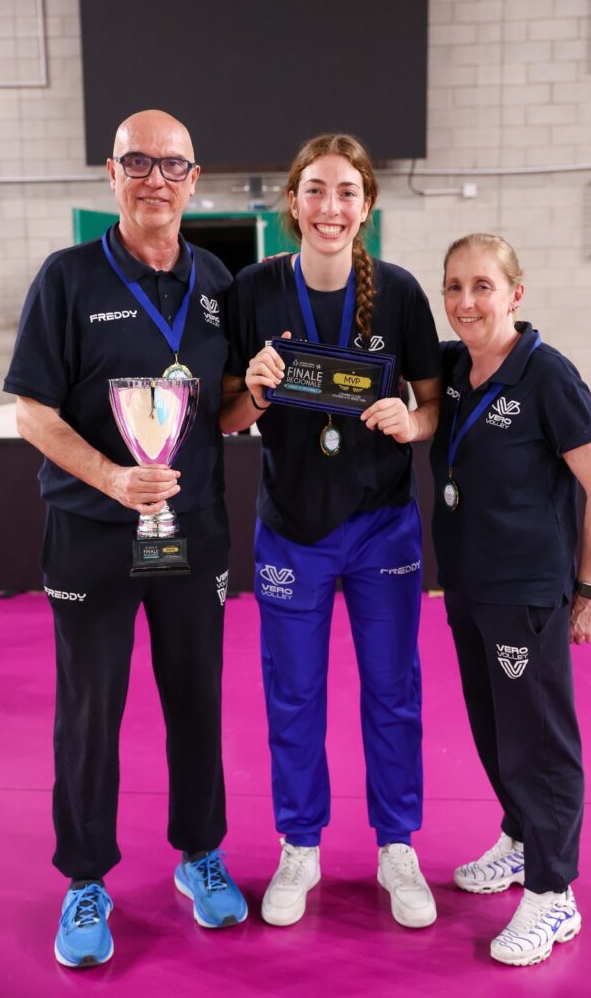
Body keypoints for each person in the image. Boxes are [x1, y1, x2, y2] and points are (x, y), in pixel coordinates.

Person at [4, 110, 247, 968]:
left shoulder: (218, 280)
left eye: (172, 164)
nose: (155, 178)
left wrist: (257, 395)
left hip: (193, 530)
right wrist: (111, 477)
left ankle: (200, 853)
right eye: (137, 162)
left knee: (197, 702)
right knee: (89, 712)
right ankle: (85, 880)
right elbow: (32, 413)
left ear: (194, 178)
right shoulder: (66, 278)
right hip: (93, 531)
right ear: (111, 174)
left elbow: (222, 411)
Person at [220, 133, 442, 929]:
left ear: (367, 204)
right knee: (294, 695)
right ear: (293, 200)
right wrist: (254, 391)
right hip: (291, 528)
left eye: (347, 191)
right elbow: (226, 416)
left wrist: (412, 423)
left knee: (392, 691)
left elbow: (432, 403)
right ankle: (300, 845)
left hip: (382, 527)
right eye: (315, 189)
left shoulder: (401, 292)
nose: (330, 207)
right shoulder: (253, 290)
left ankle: (397, 846)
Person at [430, 233, 591, 966]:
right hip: (467, 587)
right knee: (494, 732)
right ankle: (519, 840)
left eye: (482, 286)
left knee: (538, 744)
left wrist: (588, 590)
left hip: (527, 594)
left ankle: (553, 890)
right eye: (454, 286)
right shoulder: (453, 369)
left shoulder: (547, 375)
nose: (466, 301)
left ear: (515, 293)